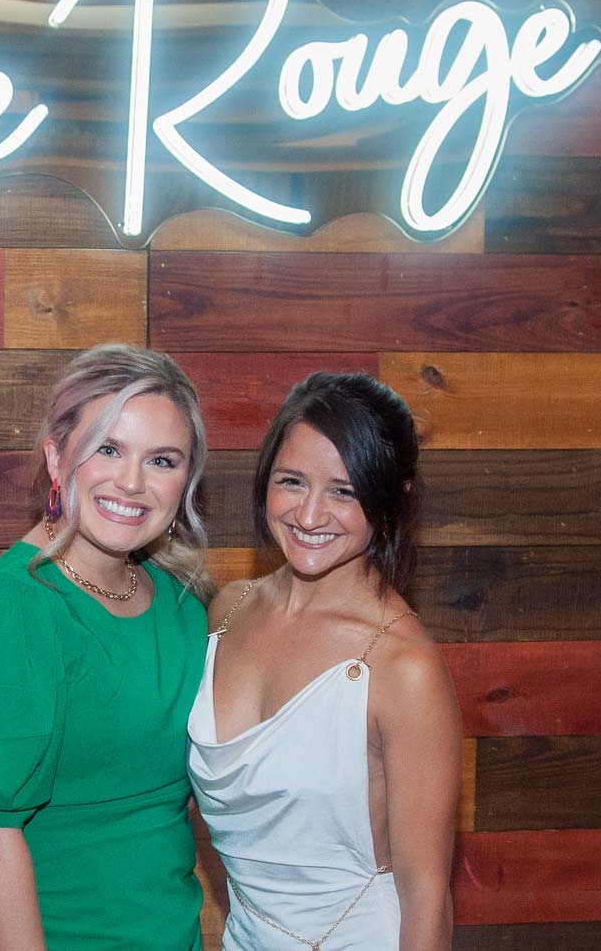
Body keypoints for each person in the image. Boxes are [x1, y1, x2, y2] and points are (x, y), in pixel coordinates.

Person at [0, 343, 214, 951]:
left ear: (186, 479)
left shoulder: (180, 602)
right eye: (108, 448)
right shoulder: (11, 606)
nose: (131, 481)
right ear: (57, 458)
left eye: (161, 460)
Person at [188, 372, 461, 951]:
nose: (310, 515)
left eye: (344, 491)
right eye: (292, 481)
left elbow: (427, 896)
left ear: (392, 498)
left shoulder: (404, 668)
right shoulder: (226, 611)